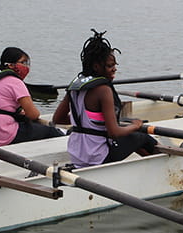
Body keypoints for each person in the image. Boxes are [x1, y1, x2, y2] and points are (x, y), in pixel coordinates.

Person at [52, 29, 158, 168]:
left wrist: (87, 122)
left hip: (77, 154)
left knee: (130, 139)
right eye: (109, 66)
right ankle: (163, 167)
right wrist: (135, 126)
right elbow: (114, 133)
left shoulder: (75, 86)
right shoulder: (104, 90)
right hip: (98, 156)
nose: (114, 69)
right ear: (96, 66)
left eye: (115, 65)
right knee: (142, 138)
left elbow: (57, 119)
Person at [0, 47, 63, 146]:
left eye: (27, 63)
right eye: (23, 62)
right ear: (11, 65)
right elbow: (34, 115)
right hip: (0, 133)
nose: (26, 66)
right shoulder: (15, 82)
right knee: (50, 132)